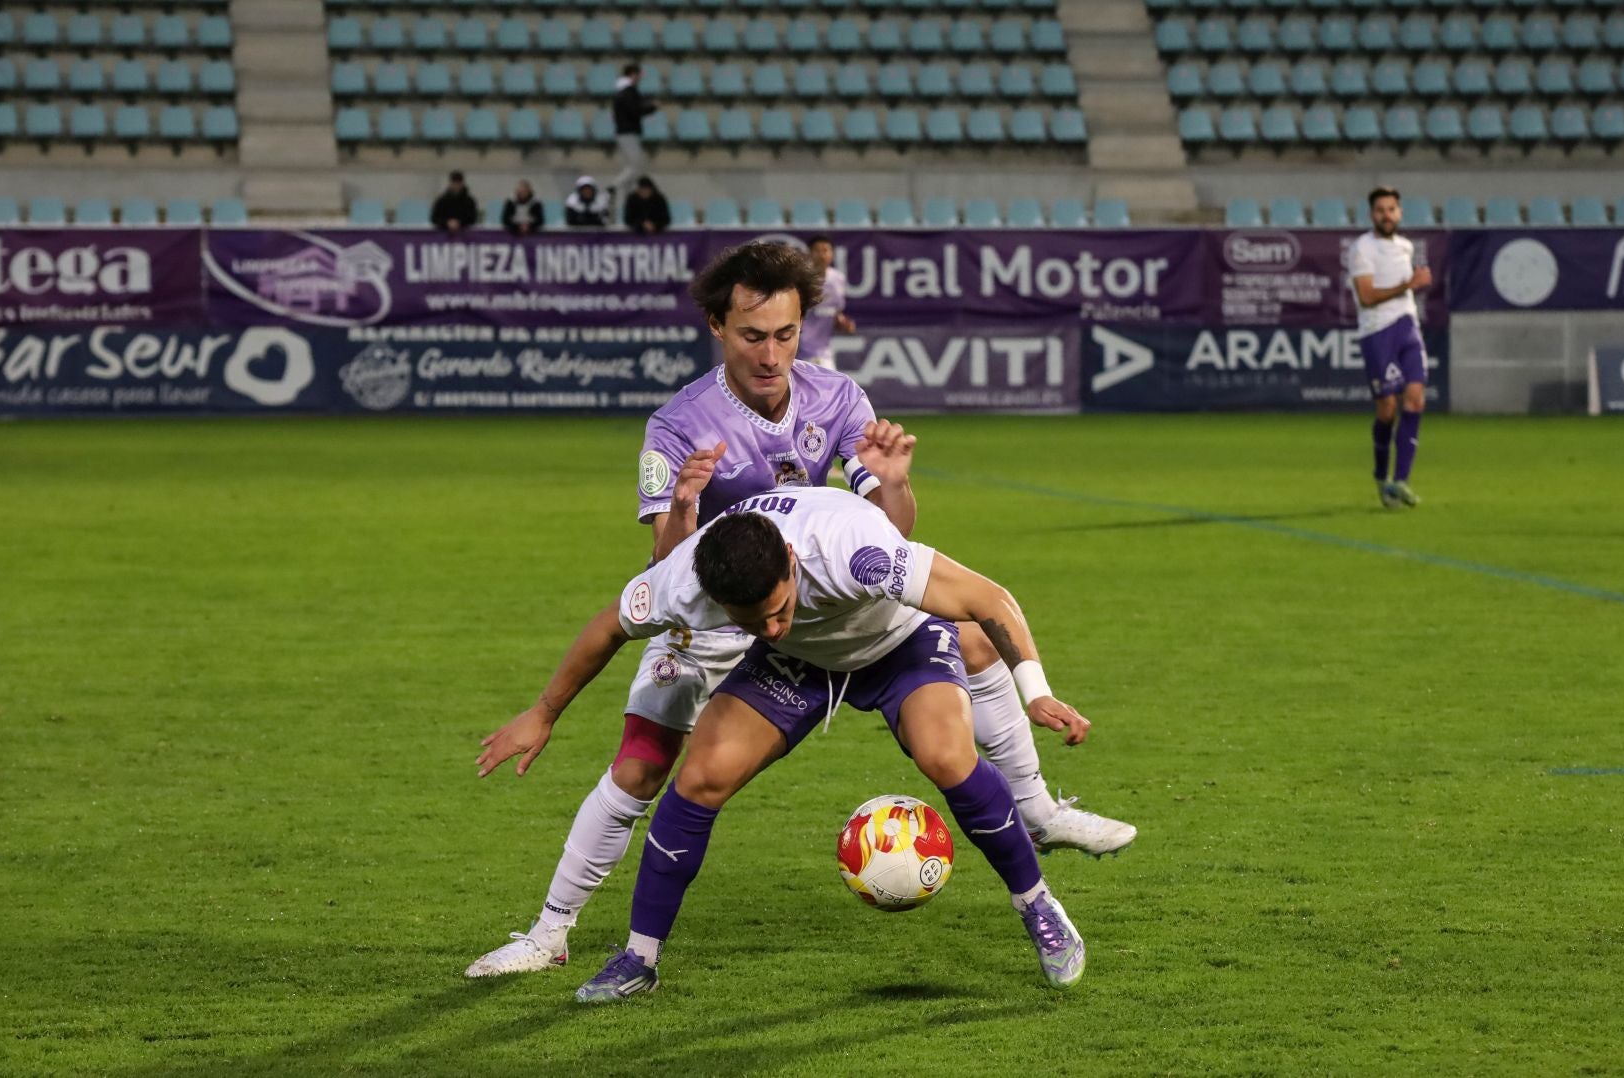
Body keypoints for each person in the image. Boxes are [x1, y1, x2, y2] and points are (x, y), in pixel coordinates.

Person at [463, 242, 1133, 981]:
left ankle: (1035, 841)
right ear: (718, 326)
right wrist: (683, 507)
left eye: (786, 334)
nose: (773, 354)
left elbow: (894, 531)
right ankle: (557, 935)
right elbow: (658, 571)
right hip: (719, 602)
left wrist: (894, 482)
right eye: (754, 336)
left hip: (827, 589)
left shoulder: (839, 403)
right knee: (650, 765)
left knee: (966, 668)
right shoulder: (677, 425)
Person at [477, 486, 1092, 1002]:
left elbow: (989, 599)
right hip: (797, 663)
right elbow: (609, 626)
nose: (770, 625)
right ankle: (639, 958)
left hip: (898, 648)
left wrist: (1034, 689)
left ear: (793, 563)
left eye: (777, 608)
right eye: (752, 622)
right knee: (699, 778)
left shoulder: (857, 552)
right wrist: (544, 711)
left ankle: (1039, 906)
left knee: (946, 755)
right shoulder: (685, 580)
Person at [1349, 186, 1433, 509]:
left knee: (1415, 400)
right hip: (1377, 332)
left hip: (1407, 327)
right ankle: (1382, 478)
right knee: (1387, 410)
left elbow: (1405, 292)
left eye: (1392, 209)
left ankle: (1401, 481)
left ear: (1400, 212)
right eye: (1381, 210)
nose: (1387, 215)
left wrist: (1410, 289)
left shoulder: (1406, 247)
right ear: (1372, 215)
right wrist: (1407, 285)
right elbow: (1366, 297)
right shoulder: (1362, 249)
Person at [798, 235, 855, 370]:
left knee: (829, 389)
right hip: (798, 352)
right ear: (809, 254)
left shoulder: (838, 279)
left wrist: (843, 324)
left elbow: (836, 314)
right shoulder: (801, 280)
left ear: (832, 254)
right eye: (817, 251)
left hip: (824, 353)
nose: (822, 255)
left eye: (825, 250)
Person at [611, 63, 657, 201]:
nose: (640, 77)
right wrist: (652, 107)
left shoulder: (622, 91)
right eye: (638, 74)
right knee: (635, 167)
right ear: (632, 74)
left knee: (629, 168)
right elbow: (635, 110)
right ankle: (613, 186)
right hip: (628, 133)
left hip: (624, 133)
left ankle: (625, 200)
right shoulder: (628, 91)